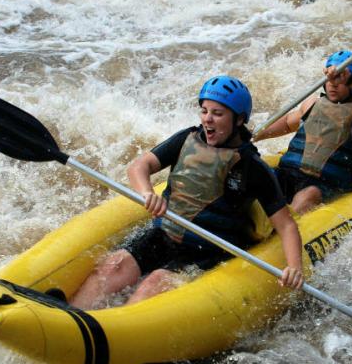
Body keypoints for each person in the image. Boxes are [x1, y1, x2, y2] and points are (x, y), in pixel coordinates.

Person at [70, 75, 304, 309]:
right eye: (204, 111)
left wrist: (294, 267)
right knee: (114, 265)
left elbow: (286, 225)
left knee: (155, 282)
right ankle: (72, 316)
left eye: (218, 113)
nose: (207, 119)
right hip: (165, 234)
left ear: (239, 119)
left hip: (207, 250)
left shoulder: (252, 167)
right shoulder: (186, 139)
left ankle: (114, 332)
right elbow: (139, 167)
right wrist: (147, 193)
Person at [254, 50, 352, 214]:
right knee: (256, 177)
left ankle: (282, 232)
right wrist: (255, 135)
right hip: (288, 174)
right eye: (331, 78)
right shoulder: (312, 104)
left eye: (341, 79)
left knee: (309, 194)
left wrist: (351, 79)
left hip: (326, 186)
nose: (334, 83)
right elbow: (288, 123)